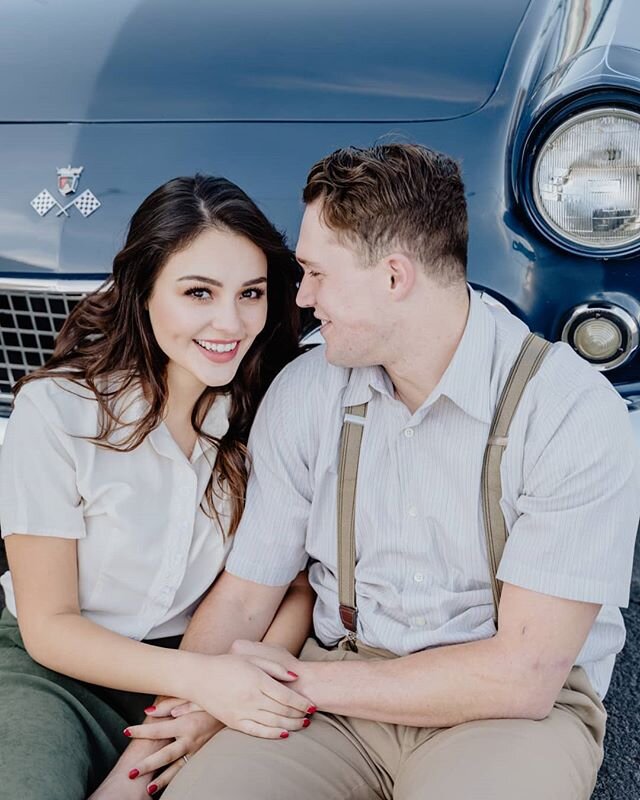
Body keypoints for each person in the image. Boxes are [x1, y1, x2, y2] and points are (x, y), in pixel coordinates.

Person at [138, 144, 637, 800]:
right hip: (333, 695)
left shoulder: (571, 412)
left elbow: (523, 675)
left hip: (508, 715)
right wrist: (185, 717)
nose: (304, 298)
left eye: (316, 273)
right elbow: (244, 596)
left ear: (395, 277)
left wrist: (287, 683)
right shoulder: (308, 390)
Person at [0, 174, 317, 800]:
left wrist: (219, 697)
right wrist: (206, 682)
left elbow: (298, 590)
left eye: (250, 293)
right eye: (199, 292)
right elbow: (48, 624)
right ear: (143, 290)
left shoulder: (275, 415)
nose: (230, 322)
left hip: (217, 664)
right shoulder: (58, 410)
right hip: (54, 670)